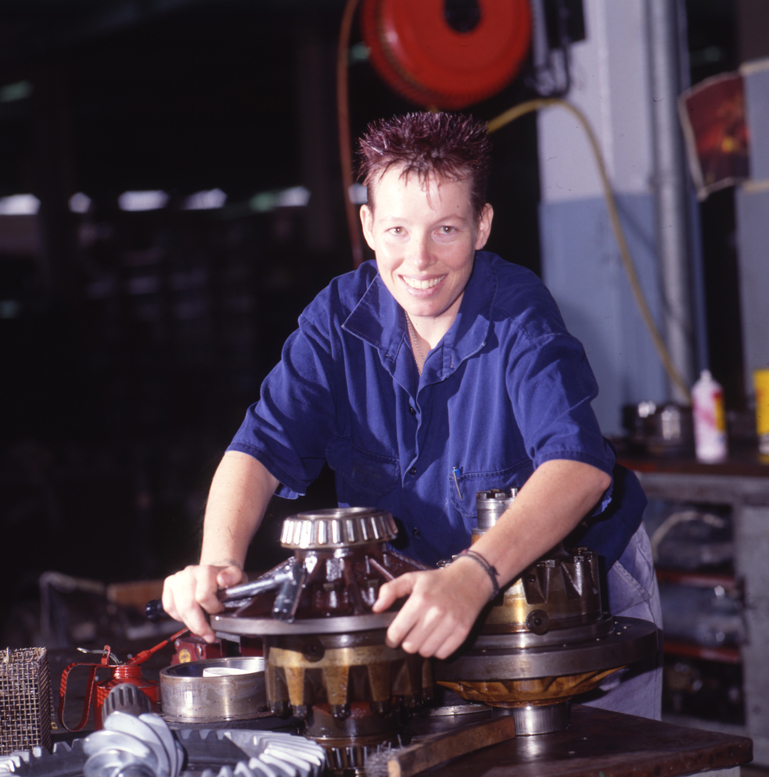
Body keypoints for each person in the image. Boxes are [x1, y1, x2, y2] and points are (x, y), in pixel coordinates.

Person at [162, 112, 662, 718]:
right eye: (397, 229)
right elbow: (260, 449)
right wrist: (218, 566)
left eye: (445, 228)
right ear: (369, 226)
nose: (419, 259)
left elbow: (578, 467)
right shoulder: (335, 320)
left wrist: (474, 575)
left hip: (578, 585)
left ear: (482, 226)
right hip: (435, 594)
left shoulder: (519, 314)